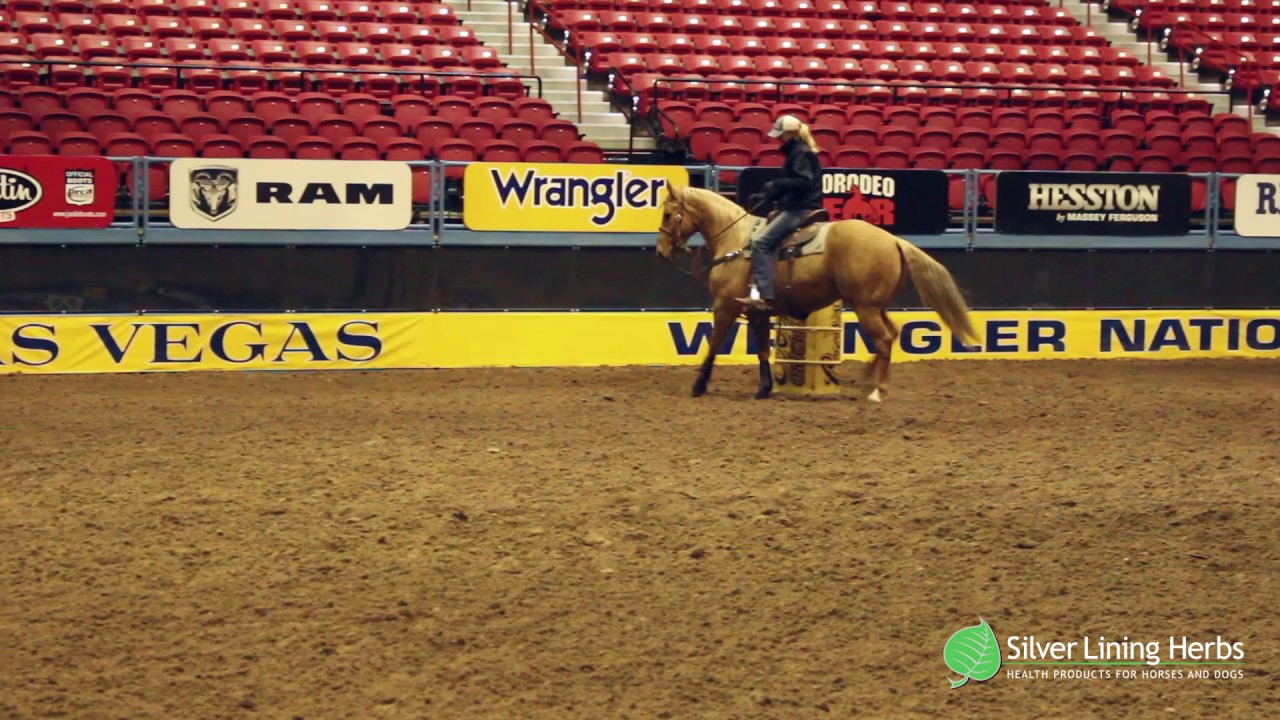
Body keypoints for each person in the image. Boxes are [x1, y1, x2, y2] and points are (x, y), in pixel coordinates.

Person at [737, 114, 825, 313]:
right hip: (797, 204)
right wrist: (770, 193)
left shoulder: (800, 152)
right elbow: (794, 182)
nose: (777, 139)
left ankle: (765, 296)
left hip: (800, 208)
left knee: (761, 243)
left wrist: (776, 184)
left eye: (780, 135)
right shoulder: (798, 151)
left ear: (789, 134)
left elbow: (804, 181)